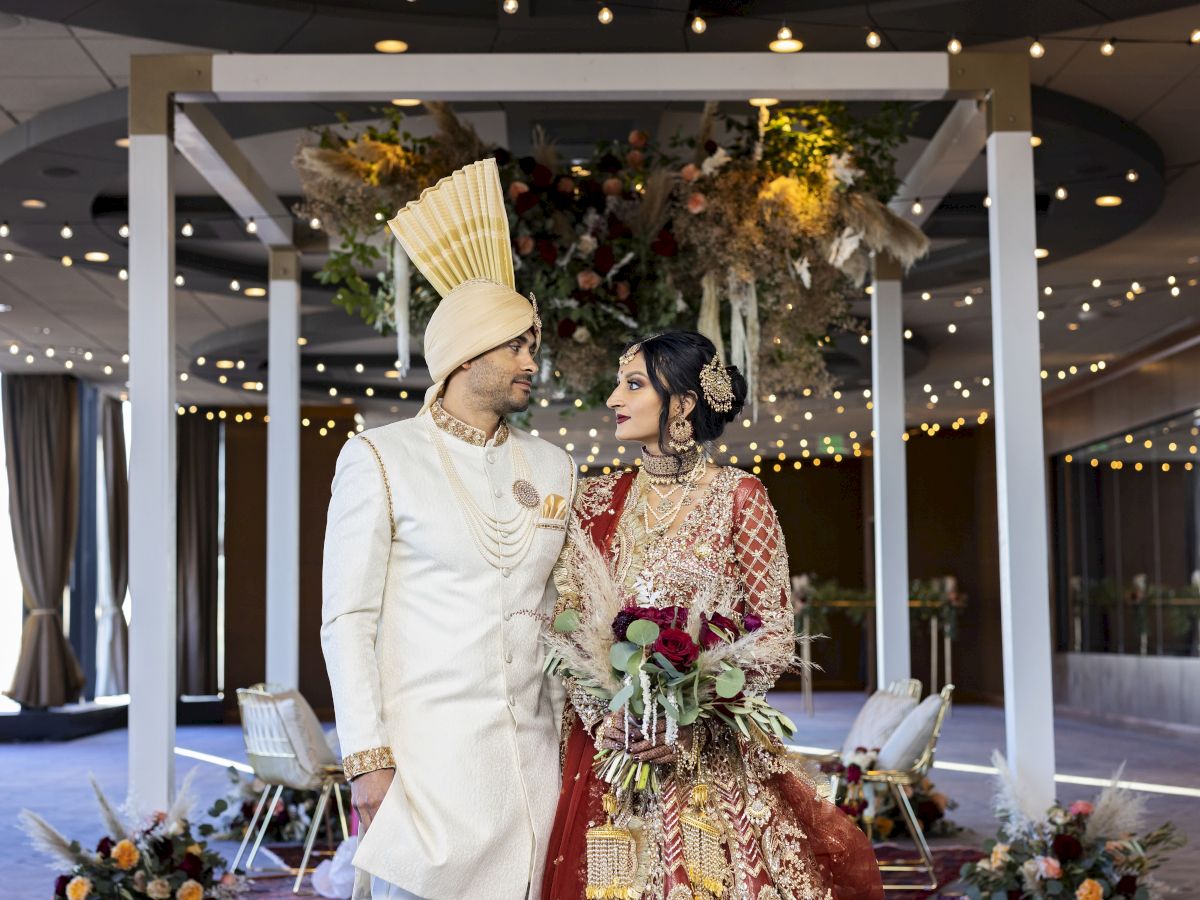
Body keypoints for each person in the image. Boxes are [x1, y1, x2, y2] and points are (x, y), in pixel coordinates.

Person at [541, 331, 883, 900]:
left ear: (682, 404)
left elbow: (773, 635)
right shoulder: (597, 502)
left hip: (707, 760)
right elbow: (571, 623)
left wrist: (691, 716)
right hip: (610, 751)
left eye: (632, 384)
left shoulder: (739, 497)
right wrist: (608, 714)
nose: (612, 400)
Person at [321, 158, 575, 900]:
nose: (533, 361)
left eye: (534, 344)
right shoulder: (379, 457)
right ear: (466, 355)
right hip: (428, 774)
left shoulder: (554, 467)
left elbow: (570, 612)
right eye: (517, 346)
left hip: (535, 770)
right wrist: (368, 759)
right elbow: (348, 617)